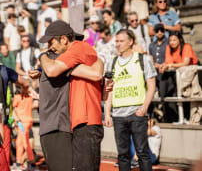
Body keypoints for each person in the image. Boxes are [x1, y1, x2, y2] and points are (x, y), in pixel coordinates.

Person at [38, 20, 104, 171]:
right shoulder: (81, 50)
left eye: (51, 42)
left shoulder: (77, 48)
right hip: (84, 121)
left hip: (86, 121)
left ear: (64, 40)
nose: (50, 48)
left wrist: (42, 56)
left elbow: (52, 70)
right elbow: (97, 69)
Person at [105, 29, 157, 171]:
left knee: (142, 153)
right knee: (122, 155)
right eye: (116, 41)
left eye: (121, 41)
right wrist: (107, 113)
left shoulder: (142, 59)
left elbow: (152, 85)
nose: (118, 44)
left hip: (137, 113)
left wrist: (144, 108)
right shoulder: (112, 62)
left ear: (131, 41)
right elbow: (108, 90)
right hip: (118, 116)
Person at [12, 86, 35, 169]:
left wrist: (16, 120)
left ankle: (30, 161)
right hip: (28, 121)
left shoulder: (17, 97)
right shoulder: (29, 97)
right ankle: (21, 161)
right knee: (20, 141)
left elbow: (13, 109)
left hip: (22, 122)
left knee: (24, 142)